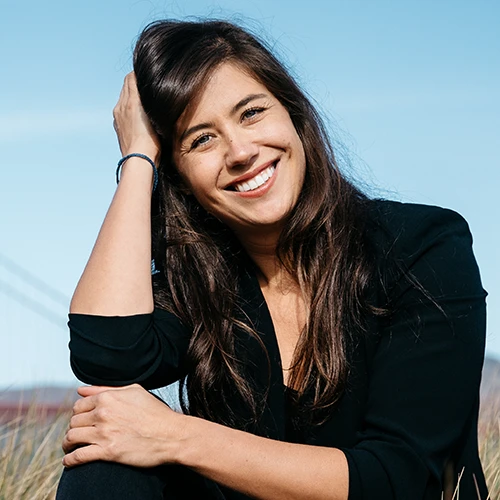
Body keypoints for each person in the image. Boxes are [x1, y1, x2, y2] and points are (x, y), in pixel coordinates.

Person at [56, 19, 489, 500]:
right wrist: (139, 159)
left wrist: (177, 437)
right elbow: (107, 355)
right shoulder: (207, 283)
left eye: (251, 113)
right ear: (179, 175)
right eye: (201, 139)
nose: (240, 151)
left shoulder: (421, 246)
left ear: (293, 114)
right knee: (106, 466)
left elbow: (401, 480)